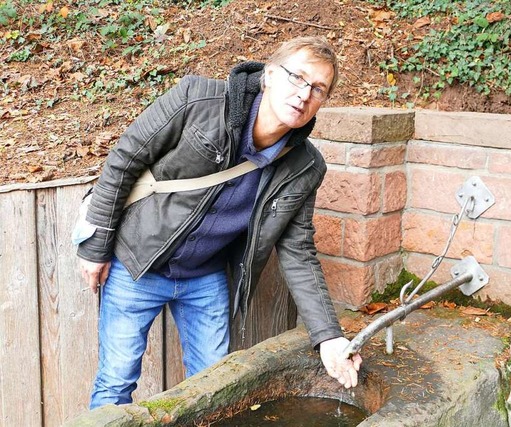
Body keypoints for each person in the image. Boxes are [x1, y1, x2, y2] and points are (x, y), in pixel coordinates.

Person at [76, 36, 362, 409]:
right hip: (136, 264)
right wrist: (95, 247)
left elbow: (298, 252)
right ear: (270, 75)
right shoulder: (197, 100)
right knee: (115, 383)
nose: (304, 94)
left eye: (318, 88)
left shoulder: (305, 166)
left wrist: (329, 337)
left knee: (213, 391)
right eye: (297, 78)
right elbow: (124, 160)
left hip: (205, 278)